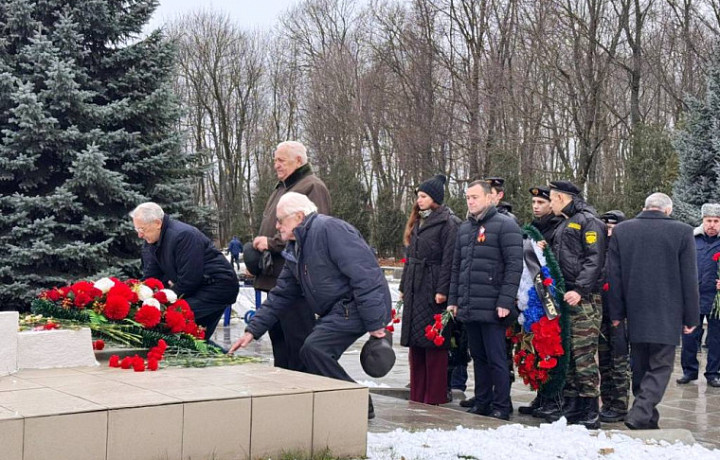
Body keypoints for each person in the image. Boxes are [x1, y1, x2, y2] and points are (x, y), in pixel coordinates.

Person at [229, 192, 391, 419]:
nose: (277, 226)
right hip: (338, 308)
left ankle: (358, 401)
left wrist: (376, 324)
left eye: (281, 220)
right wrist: (252, 330)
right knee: (313, 352)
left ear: (299, 217)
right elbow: (281, 293)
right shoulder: (296, 248)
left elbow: (365, 275)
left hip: (356, 304)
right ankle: (347, 400)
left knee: (315, 349)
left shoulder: (330, 230)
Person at [607, 193, 699, 430]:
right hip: (667, 312)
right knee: (660, 367)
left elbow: (613, 277)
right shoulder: (682, 231)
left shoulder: (623, 231)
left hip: (634, 311)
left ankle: (647, 419)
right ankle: (640, 413)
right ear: (667, 210)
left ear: (645, 207)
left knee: (640, 366)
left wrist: (616, 314)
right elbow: (689, 278)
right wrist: (691, 317)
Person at [253, 141, 331, 372]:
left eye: (281, 160)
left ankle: (303, 392)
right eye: (275, 160)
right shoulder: (282, 187)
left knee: (298, 341)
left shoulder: (312, 186)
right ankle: (284, 389)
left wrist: (272, 243)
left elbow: (313, 230)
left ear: (298, 161)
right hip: (275, 278)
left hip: (297, 281)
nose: (276, 165)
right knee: (280, 341)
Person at [448, 180, 523, 420]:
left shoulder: (505, 225)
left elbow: (514, 266)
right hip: (470, 303)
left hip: (493, 305)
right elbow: (457, 267)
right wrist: (454, 300)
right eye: (468, 197)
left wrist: (505, 300)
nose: (470, 201)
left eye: (475, 197)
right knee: (478, 357)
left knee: (497, 358)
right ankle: (482, 401)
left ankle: (502, 403)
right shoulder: (465, 228)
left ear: (490, 198)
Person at [131, 202, 239, 341]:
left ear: (157, 223)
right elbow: (151, 277)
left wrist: (163, 301)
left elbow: (189, 279)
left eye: (142, 229)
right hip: (198, 287)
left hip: (216, 287)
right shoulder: (153, 241)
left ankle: (217, 356)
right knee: (188, 336)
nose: (139, 235)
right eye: (136, 229)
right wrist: (137, 296)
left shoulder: (183, 235)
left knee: (174, 321)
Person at [545, 180, 606, 429]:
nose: (549, 203)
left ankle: (591, 407)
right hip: (565, 296)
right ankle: (573, 404)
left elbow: (595, 259)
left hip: (583, 300)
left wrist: (580, 289)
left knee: (584, 355)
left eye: (551, 198)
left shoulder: (587, 221)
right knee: (569, 353)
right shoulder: (564, 223)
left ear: (561, 198)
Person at [399, 174, 459, 405]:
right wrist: (404, 286)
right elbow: (410, 256)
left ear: (435, 198)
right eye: (418, 196)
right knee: (416, 344)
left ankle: (433, 395)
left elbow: (449, 259)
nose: (419, 200)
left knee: (434, 342)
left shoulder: (448, 222)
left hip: (433, 285)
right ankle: (417, 393)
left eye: (423, 196)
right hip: (415, 285)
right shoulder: (418, 220)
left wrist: (442, 289)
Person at [517, 186, 565, 417]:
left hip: (550, 297)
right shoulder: (531, 229)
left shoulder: (558, 227)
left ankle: (554, 398)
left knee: (551, 347)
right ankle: (541, 395)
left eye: (541, 202)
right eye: (534, 202)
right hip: (531, 298)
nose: (536, 206)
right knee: (534, 348)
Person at [677, 203, 720, 387]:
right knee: (689, 336)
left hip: (716, 300)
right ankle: (689, 371)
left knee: (716, 338)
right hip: (693, 296)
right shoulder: (691, 240)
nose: (712, 224)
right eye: (708, 220)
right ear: (703, 220)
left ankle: (713, 373)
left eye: (716, 221)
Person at [597, 210, 630, 423]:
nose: (609, 231)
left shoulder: (627, 251)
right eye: (606, 227)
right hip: (602, 311)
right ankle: (607, 401)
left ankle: (619, 404)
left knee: (619, 361)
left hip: (620, 314)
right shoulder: (598, 249)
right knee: (604, 359)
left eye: (613, 227)